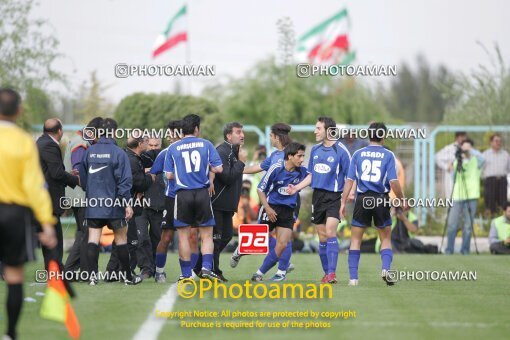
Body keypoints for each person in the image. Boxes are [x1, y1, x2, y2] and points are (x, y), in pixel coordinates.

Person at [0, 88, 57, 340]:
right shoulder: (24, 141)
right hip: (13, 213)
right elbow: (35, 186)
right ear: (19, 111)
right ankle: (11, 333)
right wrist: (46, 222)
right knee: (14, 276)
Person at [340, 122, 406, 286]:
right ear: (383, 136)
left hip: (362, 199)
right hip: (381, 199)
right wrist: (402, 198)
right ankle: (385, 269)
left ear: (369, 135)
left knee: (355, 240)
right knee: (385, 238)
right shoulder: (388, 155)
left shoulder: (358, 154)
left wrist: (342, 202)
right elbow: (394, 182)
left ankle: (353, 278)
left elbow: (349, 180)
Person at [287, 117, 351, 284]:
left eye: (318, 128)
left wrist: (345, 199)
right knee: (322, 237)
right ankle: (326, 273)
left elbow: (351, 176)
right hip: (318, 197)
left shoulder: (341, 151)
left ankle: (332, 273)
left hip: (334, 197)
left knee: (330, 232)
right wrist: (296, 188)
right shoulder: (315, 150)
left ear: (329, 131)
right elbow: (311, 175)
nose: (315, 131)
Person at [78, 118, 142, 285]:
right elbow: (125, 181)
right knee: (121, 240)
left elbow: (83, 180)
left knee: (93, 238)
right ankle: (128, 277)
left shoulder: (89, 152)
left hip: (94, 204)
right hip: (114, 204)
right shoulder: (119, 153)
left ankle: (92, 277)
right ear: (114, 132)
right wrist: (127, 203)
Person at [163, 114, 223, 280]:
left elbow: (168, 175)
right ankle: (205, 267)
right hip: (202, 193)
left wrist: (183, 173)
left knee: (183, 237)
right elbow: (219, 169)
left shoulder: (173, 148)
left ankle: (185, 274)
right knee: (206, 235)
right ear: (197, 129)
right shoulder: (206, 144)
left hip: (182, 194)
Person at [231, 123, 294, 270]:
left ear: (277, 137)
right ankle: (241, 250)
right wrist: (238, 170)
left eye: (271, 136)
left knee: (284, 238)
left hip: (289, 202)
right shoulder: (274, 155)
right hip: (270, 202)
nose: (270, 139)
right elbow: (257, 167)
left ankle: (282, 269)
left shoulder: (293, 153)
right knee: (261, 236)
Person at [194, 122, 246, 281]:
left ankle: (199, 266)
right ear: (229, 136)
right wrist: (242, 162)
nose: (242, 135)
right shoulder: (221, 151)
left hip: (227, 205)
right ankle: (213, 270)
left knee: (227, 236)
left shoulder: (234, 152)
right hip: (217, 203)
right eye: (238, 132)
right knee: (216, 238)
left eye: (242, 132)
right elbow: (228, 177)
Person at [251, 142, 309, 282]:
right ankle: (238, 253)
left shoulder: (302, 171)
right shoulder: (276, 168)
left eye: (303, 156)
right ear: (290, 156)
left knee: (282, 243)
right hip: (271, 207)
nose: (302, 159)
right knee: (257, 239)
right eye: (299, 156)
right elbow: (260, 189)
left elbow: (312, 177)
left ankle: (261, 273)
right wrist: (268, 208)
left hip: (288, 210)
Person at [36, 118, 80, 267]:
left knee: (51, 239)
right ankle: (56, 272)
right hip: (48, 200)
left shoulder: (41, 142)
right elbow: (56, 174)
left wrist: (66, 173)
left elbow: (51, 171)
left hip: (42, 199)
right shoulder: (49, 145)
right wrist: (75, 180)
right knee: (54, 240)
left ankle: (54, 270)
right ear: (59, 131)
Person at [63, 117, 103, 276]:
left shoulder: (79, 139)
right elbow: (78, 171)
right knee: (86, 234)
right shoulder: (81, 143)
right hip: (81, 195)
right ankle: (70, 270)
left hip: (76, 194)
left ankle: (81, 271)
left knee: (83, 233)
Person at [153, 120, 182, 283]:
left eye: (172, 133)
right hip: (171, 198)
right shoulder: (165, 152)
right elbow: (152, 172)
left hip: (189, 197)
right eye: (168, 133)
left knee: (191, 236)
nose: (169, 136)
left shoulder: (190, 149)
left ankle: (188, 273)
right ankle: (159, 272)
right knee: (166, 237)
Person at [445, 139, 484, 255]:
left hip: (471, 196)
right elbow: (454, 178)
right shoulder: (458, 161)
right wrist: (451, 170)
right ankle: (449, 250)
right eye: (464, 147)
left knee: (467, 225)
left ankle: (465, 250)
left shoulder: (476, 160)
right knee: (452, 224)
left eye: (468, 147)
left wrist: (470, 150)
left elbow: (483, 159)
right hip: (457, 196)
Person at [482, 134, 510, 215]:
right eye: (496, 141)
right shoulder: (485, 155)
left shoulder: (506, 154)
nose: (498, 143)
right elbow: (480, 168)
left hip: (502, 181)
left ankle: (504, 223)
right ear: (491, 142)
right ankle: (488, 223)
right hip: (490, 181)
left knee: (503, 204)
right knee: (489, 204)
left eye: (500, 141)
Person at [435, 131, 468, 198]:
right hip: (452, 177)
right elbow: (437, 157)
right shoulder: (450, 148)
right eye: (461, 137)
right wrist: (447, 166)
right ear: (457, 138)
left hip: (465, 177)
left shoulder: (467, 149)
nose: (463, 139)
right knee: (452, 198)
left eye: (464, 137)